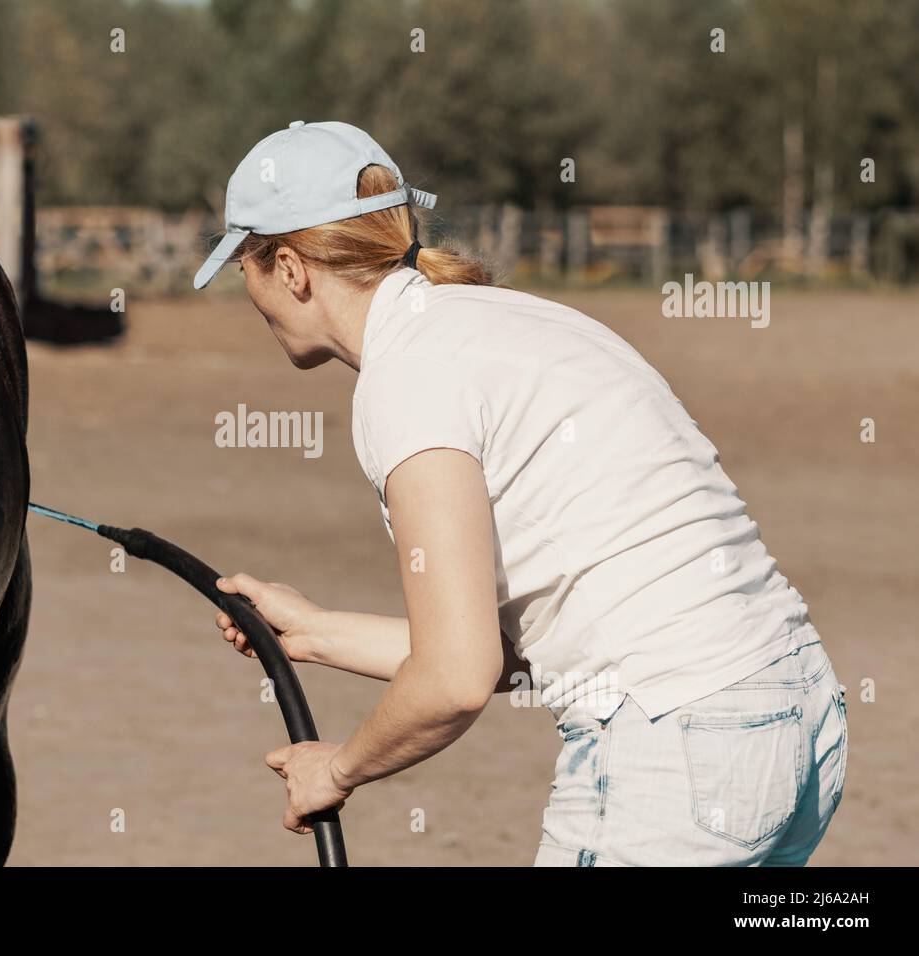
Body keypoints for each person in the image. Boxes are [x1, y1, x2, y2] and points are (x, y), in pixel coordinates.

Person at [197, 120, 848, 866]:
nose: (247, 293)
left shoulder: (407, 377)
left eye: (240, 265)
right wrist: (310, 633)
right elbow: (508, 652)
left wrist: (337, 769)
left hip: (676, 747)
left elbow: (455, 681)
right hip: (797, 720)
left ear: (289, 267)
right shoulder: (513, 320)